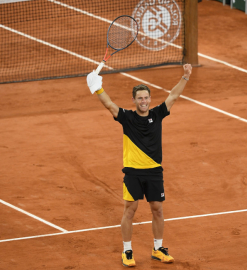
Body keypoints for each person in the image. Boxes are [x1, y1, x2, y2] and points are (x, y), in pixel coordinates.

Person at [86, 64, 192, 267]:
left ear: (150, 99)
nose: (143, 101)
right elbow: (109, 104)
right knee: (130, 210)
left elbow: (174, 96)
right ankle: (127, 251)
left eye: (146, 98)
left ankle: (158, 248)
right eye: (140, 98)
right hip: (133, 172)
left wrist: (185, 77)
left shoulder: (158, 114)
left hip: (154, 171)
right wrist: (97, 88)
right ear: (133, 100)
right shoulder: (127, 118)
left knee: (157, 209)